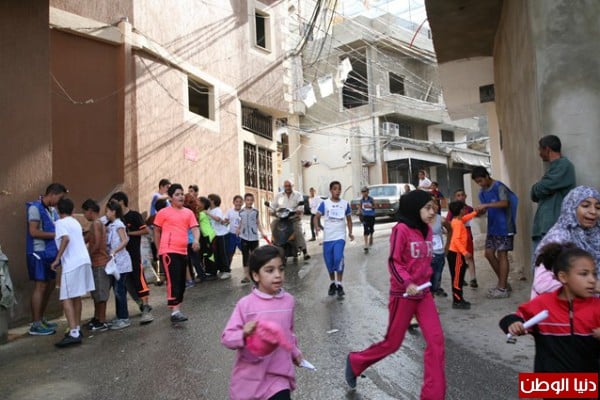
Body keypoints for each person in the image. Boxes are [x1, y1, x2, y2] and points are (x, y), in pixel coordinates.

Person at [345, 190, 445, 398]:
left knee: (436, 342)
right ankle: (356, 362)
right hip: (403, 295)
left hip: (424, 295)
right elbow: (394, 262)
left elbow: (426, 261)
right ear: (414, 208)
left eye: (433, 207)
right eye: (427, 208)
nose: (432, 212)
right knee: (392, 343)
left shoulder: (427, 230)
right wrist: (407, 283)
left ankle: (433, 395)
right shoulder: (401, 229)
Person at [499, 243, 600, 374]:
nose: (592, 280)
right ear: (563, 277)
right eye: (584, 274)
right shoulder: (543, 304)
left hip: (588, 383)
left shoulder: (596, 307)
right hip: (550, 382)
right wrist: (514, 323)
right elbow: (514, 317)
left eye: (594, 274)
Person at [221, 245, 303, 400]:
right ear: (256, 275)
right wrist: (243, 333)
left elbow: (288, 333)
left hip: (279, 377)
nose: (277, 275)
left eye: (281, 269)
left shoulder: (288, 301)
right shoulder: (245, 305)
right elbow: (227, 338)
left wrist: (294, 352)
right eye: (270, 270)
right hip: (250, 379)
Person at [531, 186, 600, 297]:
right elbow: (542, 283)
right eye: (585, 206)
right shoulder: (558, 238)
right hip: (565, 304)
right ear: (571, 207)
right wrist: (589, 286)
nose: (593, 211)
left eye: (598, 207)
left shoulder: (596, 234)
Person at [50, 198, 95, 347]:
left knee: (66, 298)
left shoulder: (60, 223)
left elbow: (65, 239)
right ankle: (76, 328)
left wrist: (57, 259)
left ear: (58, 210)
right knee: (76, 297)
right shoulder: (75, 222)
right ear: (72, 210)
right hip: (83, 260)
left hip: (72, 264)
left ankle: (74, 332)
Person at [153, 184, 200, 324]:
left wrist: (196, 240)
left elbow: (195, 228)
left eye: (182, 194)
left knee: (181, 282)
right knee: (173, 281)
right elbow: (156, 231)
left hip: (183, 251)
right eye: (177, 194)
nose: (181, 197)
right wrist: (158, 249)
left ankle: (176, 308)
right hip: (168, 251)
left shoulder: (188, 213)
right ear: (170, 198)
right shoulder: (163, 213)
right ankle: (175, 311)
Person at [26, 182, 68, 336]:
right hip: (38, 253)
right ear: (52, 194)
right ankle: (35, 324)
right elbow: (33, 232)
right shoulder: (34, 208)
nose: (60, 202)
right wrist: (56, 235)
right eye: (60, 198)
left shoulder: (52, 210)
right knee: (41, 286)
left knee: (50, 285)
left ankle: (40, 318)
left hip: (49, 254)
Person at [472, 166, 517, 299]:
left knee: (502, 254)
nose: (480, 184)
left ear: (487, 176)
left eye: (481, 180)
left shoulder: (499, 187)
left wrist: (486, 205)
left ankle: (502, 288)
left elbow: (505, 203)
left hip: (505, 227)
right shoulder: (482, 192)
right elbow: (485, 211)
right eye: (477, 182)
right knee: (488, 253)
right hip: (493, 227)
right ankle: (504, 284)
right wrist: (479, 212)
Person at [109, 191, 153, 324]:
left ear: (121, 202)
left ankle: (146, 307)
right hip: (120, 258)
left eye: (114, 202)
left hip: (133, 255)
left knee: (139, 280)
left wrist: (128, 234)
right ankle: (139, 304)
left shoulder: (134, 216)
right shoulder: (115, 219)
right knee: (126, 284)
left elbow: (145, 230)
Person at [530, 135, 576, 263]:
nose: (539, 153)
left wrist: (536, 188)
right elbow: (536, 194)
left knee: (549, 266)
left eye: (540, 149)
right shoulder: (554, 167)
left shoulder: (564, 166)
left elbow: (539, 189)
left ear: (547, 149)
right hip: (545, 226)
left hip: (553, 226)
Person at [314, 181, 354, 298]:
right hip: (328, 237)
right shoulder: (325, 203)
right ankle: (333, 283)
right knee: (329, 261)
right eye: (335, 189)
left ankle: (340, 284)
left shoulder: (345, 204)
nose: (338, 191)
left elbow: (349, 220)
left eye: (339, 189)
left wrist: (350, 232)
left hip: (340, 236)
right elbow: (316, 217)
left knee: (338, 258)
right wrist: (317, 226)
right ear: (331, 190)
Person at [82, 199, 111, 332]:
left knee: (100, 294)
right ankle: (97, 317)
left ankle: (102, 320)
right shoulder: (97, 224)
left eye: (84, 212)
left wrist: (89, 254)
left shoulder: (96, 224)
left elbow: (97, 243)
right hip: (97, 262)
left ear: (90, 211)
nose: (84, 215)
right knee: (96, 294)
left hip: (100, 262)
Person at [105, 200, 133, 330]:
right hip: (115, 263)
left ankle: (124, 318)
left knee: (119, 290)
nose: (106, 213)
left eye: (107, 211)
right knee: (117, 290)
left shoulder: (119, 224)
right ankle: (120, 316)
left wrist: (114, 251)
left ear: (114, 211)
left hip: (122, 263)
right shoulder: (111, 225)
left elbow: (125, 240)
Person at [447, 201, 478, 309]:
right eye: (464, 209)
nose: (466, 210)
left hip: (457, 254)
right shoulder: (457, 223)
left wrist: (475, 213)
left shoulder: (458, 220)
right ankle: (457, 301)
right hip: (456, 254)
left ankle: (459, 298)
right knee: (457, 279)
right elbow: (456, 240)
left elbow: (465, 218)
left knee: (459, 277)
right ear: (461, 210)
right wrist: (465, 252)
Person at [270, 180, 310, 260]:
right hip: (281, 218)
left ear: (292, 186)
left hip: (293, 218)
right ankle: (274, 246)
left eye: (289, 186)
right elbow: (273, 205)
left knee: (298, 230)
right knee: (273, 224)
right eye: (286, 186)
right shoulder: (279, 195)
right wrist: (271, 211)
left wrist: (299, 211)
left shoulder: (298, 195)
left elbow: (300, 205)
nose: (288, 188)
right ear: (284, 187)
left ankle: (305, 251)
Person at [237, 193, 267, 284]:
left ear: (253, 201)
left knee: (255, 256)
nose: (249, 202)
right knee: (245, 256)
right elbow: (241, 222)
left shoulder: (255, 211)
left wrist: (262, 232)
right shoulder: (241, 212)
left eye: (251, 200)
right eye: (247, 200)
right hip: (244, 237)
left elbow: (258, 223)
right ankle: (246, 276)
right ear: (245, 201)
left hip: (254, 237)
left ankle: (257, 274)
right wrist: (238, 229)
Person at [430, 197, 451, 298]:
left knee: (436, 279)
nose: (434, 206)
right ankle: (430, 301)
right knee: (426, 283)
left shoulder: (441, 219)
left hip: (438, 254)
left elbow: (450, 230)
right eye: (430, 204)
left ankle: (436, 289)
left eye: (435, 203)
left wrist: (447, 247)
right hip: (425, 256)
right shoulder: (420, 220)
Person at [207, 193, 232, 280]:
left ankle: (226, 271)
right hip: (214, 235)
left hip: (221, 234)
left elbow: (218, 219)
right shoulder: (209, 209)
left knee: (223, 253)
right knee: (216, 253)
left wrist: (208, 214)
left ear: (213, 201)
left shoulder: (217, 210)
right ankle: (218, 270)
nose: (207, 201)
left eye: (209, 199)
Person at [197, 196, 217, 281]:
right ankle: (209, 271)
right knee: (207, 253)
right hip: (207, 235)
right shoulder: (203, 213)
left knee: (210, 254)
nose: (196, 203)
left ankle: (212, 272)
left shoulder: (201, 214)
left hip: (209, 235)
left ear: (203, 204)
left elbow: (196, 220)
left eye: (198, 201)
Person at [225, 195, 244, 271]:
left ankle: (250, 267)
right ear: (233, 202)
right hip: (231, 234)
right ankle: (227, 268)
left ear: (242, 203)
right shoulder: (229, 211)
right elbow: (226, 220)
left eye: (240, 202)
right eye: (236, 201)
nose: (238, 203)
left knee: (245, 252)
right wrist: (223, 222)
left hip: (242, 235)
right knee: (230, 252)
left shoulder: (244, 212)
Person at [357, 186, 375, 254]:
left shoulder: (371, 199)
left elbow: (375, 206)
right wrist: (359, 211)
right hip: (365, 216)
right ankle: (366, 245)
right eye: (363, 192)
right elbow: (360, 207)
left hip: (371, 216)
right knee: (365, 229)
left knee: (371, 229)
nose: (364, 193)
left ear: (368, 192)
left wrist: (370, 206)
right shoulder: (361, 200)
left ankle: (371, 236)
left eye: (365, 191)